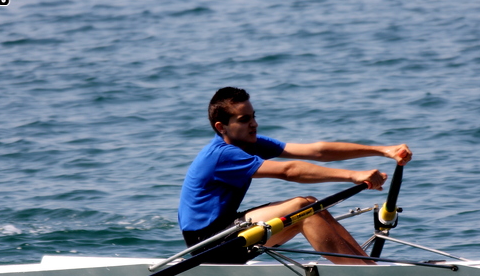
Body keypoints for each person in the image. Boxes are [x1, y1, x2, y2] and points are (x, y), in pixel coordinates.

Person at [177, 87, 412, 265]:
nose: (254, 124)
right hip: (207, 244)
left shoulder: (250, 143)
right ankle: (365, 274)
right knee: (303, 207)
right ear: (221, 127)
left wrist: (383, 150)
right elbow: (289, 171)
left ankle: (366, 269)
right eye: (244, 120)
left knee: (311, 208)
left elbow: (316, 151)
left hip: (227, 232)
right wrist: (354, 175)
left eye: (253, 116)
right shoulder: (222, 155)